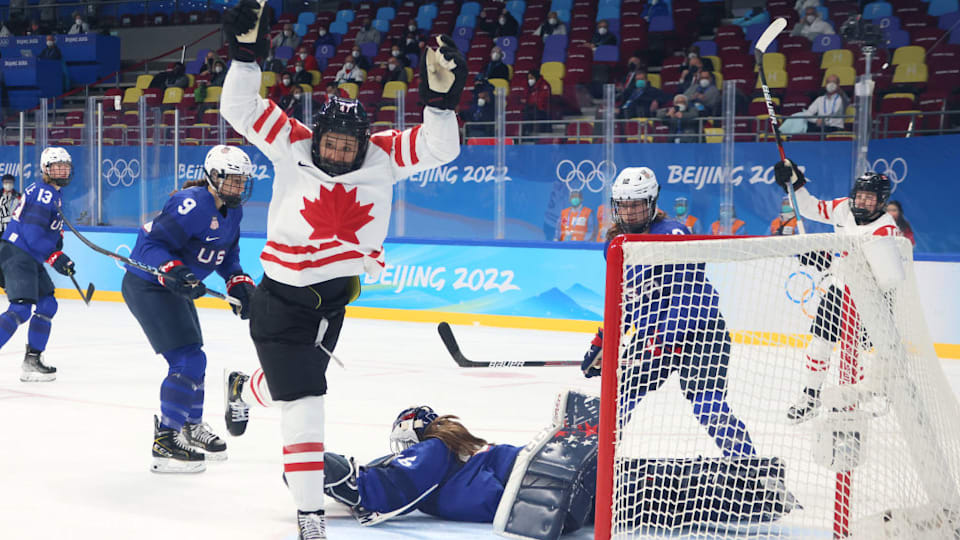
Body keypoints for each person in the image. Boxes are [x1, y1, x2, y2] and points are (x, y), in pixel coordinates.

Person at [221, 1, 465, 536]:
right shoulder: (292, 143)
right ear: (318, 136)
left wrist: (440, 105)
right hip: (281, 304)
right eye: (329, 142)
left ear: (361, 143)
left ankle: (243, 387)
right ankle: (309, 518)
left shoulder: (382, 156)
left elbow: (439, 149)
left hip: (334, 307)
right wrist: (244, 57)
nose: (336, 153)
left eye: (346, 146)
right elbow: (240, 109)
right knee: (306, 405)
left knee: (292, 388)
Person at [581, 167, 758, 458]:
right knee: (618, 399)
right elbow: (625, 301)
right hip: (654, 336)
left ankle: (753, 468)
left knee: (708, 406)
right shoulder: (614, 245)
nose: (630, 213)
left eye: (637, 205)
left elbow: (687, 293)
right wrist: (604, 340)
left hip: (702, 332)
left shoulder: (671, 233)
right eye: (624, 206)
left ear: (651, 202)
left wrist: (663, 338)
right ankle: (595, 464)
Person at [122, 145, 256, 473]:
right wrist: (176, 269)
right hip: (150, 286)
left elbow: (228, 256)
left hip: (174, 289)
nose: (238, 188)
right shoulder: (192, 204)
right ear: (214, 177)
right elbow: (149, 245)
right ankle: (165, 439)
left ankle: (190, 427)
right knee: (187, 359)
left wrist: (237, 281)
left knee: (196, 357)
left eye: (242, 182)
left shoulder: (232, 211)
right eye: (232, 181)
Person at [773, 160, 899, 422]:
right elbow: (809, 208)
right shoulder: (843, 208)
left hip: (870, 298)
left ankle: (869, 395)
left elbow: (884, 274)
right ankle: (810, 396)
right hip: (839, 291)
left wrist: (827, 260)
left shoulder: (886, 228)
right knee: (819, 346)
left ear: (881, 201)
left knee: (870, 352)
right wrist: (795, 183)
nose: (862, 202)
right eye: (860, 196)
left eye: (869, 198)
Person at [0, 148, 76, 382]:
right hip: (17, 253)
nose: (62, 170)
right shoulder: (44, 193)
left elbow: (42, 230)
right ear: (45, 169)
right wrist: (55, 256)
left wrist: (56, 241)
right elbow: (32, 234)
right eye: (56, 166)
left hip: (28, 255)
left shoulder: (53, 192)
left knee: (47, 304)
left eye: (65, 166)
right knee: (21, 308)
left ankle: (32, 360)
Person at [521, 68, 552, 135]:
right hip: (531, 110)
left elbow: (543, 100)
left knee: (533, 113)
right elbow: (524, 98)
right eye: (528, 78)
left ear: (536, 77)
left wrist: (532, 104)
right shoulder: (528, 86)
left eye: (531, 78)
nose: (530, 80)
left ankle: (533, 135)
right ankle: (525, 135)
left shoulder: (544, 85)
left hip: (542, 111)